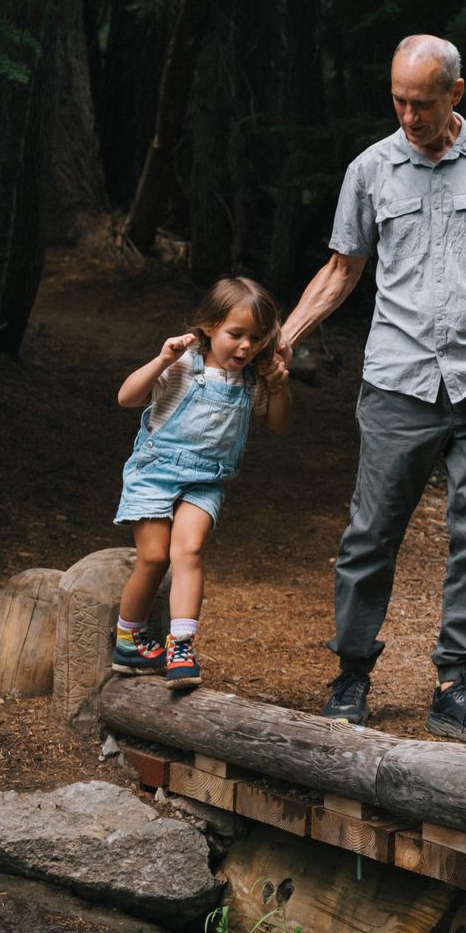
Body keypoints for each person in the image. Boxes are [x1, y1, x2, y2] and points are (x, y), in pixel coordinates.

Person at [278, 34, 466, 745]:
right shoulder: (370, 170)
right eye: (398, 101)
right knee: (370, 532)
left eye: (422, 103)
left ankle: (454, 684)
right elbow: (342, 270)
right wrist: (283, 337)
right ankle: (351, 673)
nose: (408, 116)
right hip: (399, 379)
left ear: (455, 95)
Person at [112, 277, 292, 691]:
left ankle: (181, 648)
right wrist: (160, 359)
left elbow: (279, 424)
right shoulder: (182, 365)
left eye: (256, 337)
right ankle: (128, 639)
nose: (246, 347)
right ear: (209, 327)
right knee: (155, 558)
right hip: (155, 471)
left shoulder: (253, 381)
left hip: (206, 480)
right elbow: (127, 397)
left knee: (189, 550)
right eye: (236, 335)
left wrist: (280, 386)